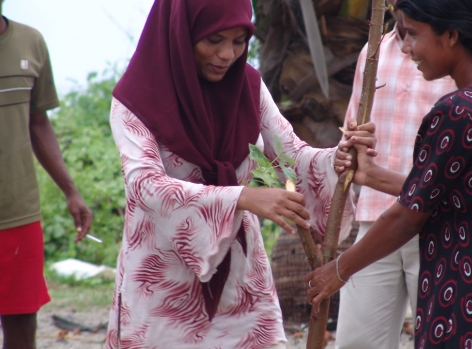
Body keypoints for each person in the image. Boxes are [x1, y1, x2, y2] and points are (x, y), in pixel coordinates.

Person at [307, 0, 472, 347]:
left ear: (451, 35)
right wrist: (370, 175)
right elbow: (450, 192)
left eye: (413, 34)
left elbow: (408, 217)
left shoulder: (459, 110)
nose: (406, 48)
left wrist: (337, 270)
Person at [103, 0, 355, 348]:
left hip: (240, 276)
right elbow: (146, 186)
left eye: (239, 42)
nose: (227, 55)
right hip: (161, 282)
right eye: (214, 40)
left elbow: (291, 156)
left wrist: (339, 158)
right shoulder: (135, 101)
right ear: (180, 34)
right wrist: (244, 197)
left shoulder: (247, 87)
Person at [334, 0, 455, 347]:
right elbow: (350, 130)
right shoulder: (373, 53)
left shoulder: (449, 51)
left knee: (441, 337)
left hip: (437, 223)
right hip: (376, 218)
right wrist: (351, 146)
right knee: (356, 341)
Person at [0, 2, 93, 349]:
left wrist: (72, 191)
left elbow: (38, 122)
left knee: (22, 328)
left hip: (18, 215)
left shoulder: (30, 42)